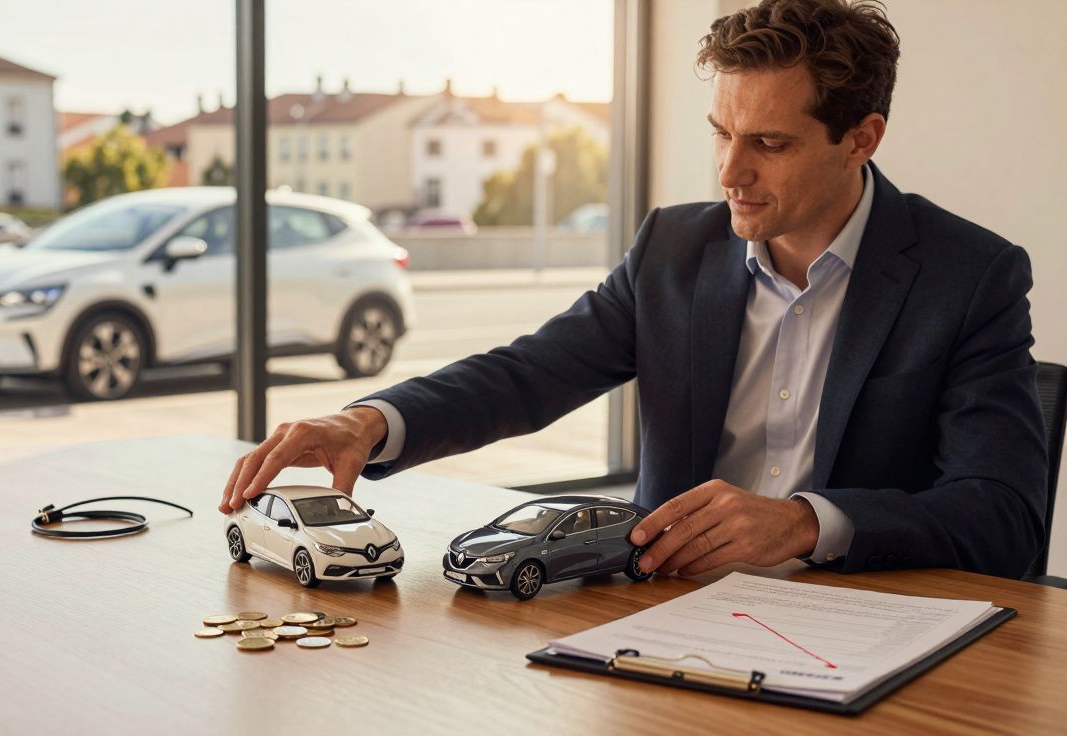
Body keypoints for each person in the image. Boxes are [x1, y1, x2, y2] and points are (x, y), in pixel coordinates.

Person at [219, 0, 1048, 579]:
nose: (729, 173)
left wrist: (805, 522)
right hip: (667, 617)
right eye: (721, 134)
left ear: (861, 139)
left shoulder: (969, 276)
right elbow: (529, 373)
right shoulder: (674, 251)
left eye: (768, 144)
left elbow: (1004, 516)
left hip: (867, 629)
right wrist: (370, 421)